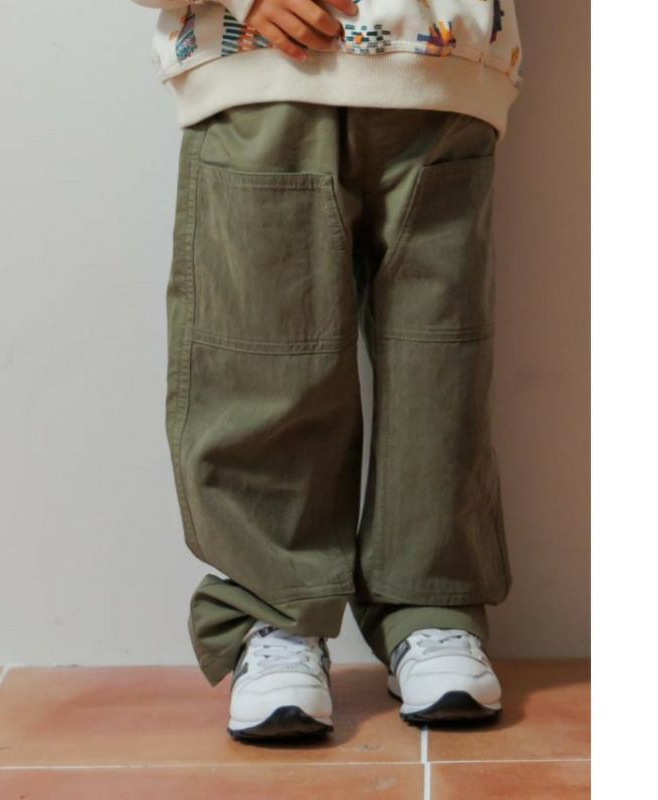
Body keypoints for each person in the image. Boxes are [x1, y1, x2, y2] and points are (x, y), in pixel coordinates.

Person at [131, 0, 523, 740]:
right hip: (259, 70)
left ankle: (432, 606)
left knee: (440, 362)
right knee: (261, 355)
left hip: (443, 66)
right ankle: (274, 613)